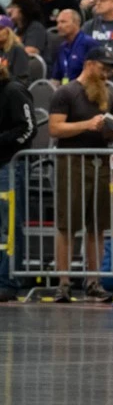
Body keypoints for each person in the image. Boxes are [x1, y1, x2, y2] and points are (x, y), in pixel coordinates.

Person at [49, 46, 113, 303]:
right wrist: (87, 125)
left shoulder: (107, 95)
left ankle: (94, 281)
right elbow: (55, 128)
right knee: (67, 224)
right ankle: (64, 282)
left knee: (97, 226)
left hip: (100, 161)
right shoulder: (66, 92)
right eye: (102, 68)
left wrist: (112, 129)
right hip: (73, 162)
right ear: (89, 64)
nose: (105, 74)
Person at [0, 58, 35, 302]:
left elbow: (28, 129)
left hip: (9, 166)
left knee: (9, 224)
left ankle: (8, 280)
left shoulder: (13, 90)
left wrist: (2, 143)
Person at [51, 9, 98, 84]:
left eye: (63, 22)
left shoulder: (89, 43)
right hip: (66, 90)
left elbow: (96, 75)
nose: (59, 26)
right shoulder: (62, 47)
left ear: (76, 23)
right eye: (58, 23)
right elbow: (56, 78)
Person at [0, 15, 29, 85]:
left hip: (10, 91)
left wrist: (3, 75)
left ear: (9, 31)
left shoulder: (18, 50)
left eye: (0, 29)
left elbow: (22, 80)